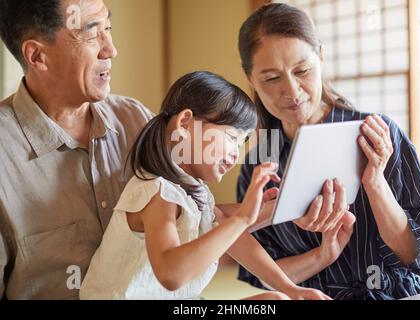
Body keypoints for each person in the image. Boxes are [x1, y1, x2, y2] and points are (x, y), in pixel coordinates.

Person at [236, 3, 420, 300]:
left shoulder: (376, 133)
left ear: (321, 57)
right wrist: (321, 256)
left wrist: (375, 183)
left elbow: (412, 253)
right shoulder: (259, 163)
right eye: (271, 78)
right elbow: (263, 272)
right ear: (250, 78)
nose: (292, 91)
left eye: (302, 70)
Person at [79, 71, 338, 300]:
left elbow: (232, 233)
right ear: (185, 123)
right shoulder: (156, 193)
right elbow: (171, 274)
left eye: (241, 143)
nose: (236, 153)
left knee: (276, 299)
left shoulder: (194, 191)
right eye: (231, 138)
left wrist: (291, 289)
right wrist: (244, 218)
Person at [0, 0, 152, 299]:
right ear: (37, 55)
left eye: (108, 28)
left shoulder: (136, 120)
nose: (110, 50)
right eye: (93, 33)